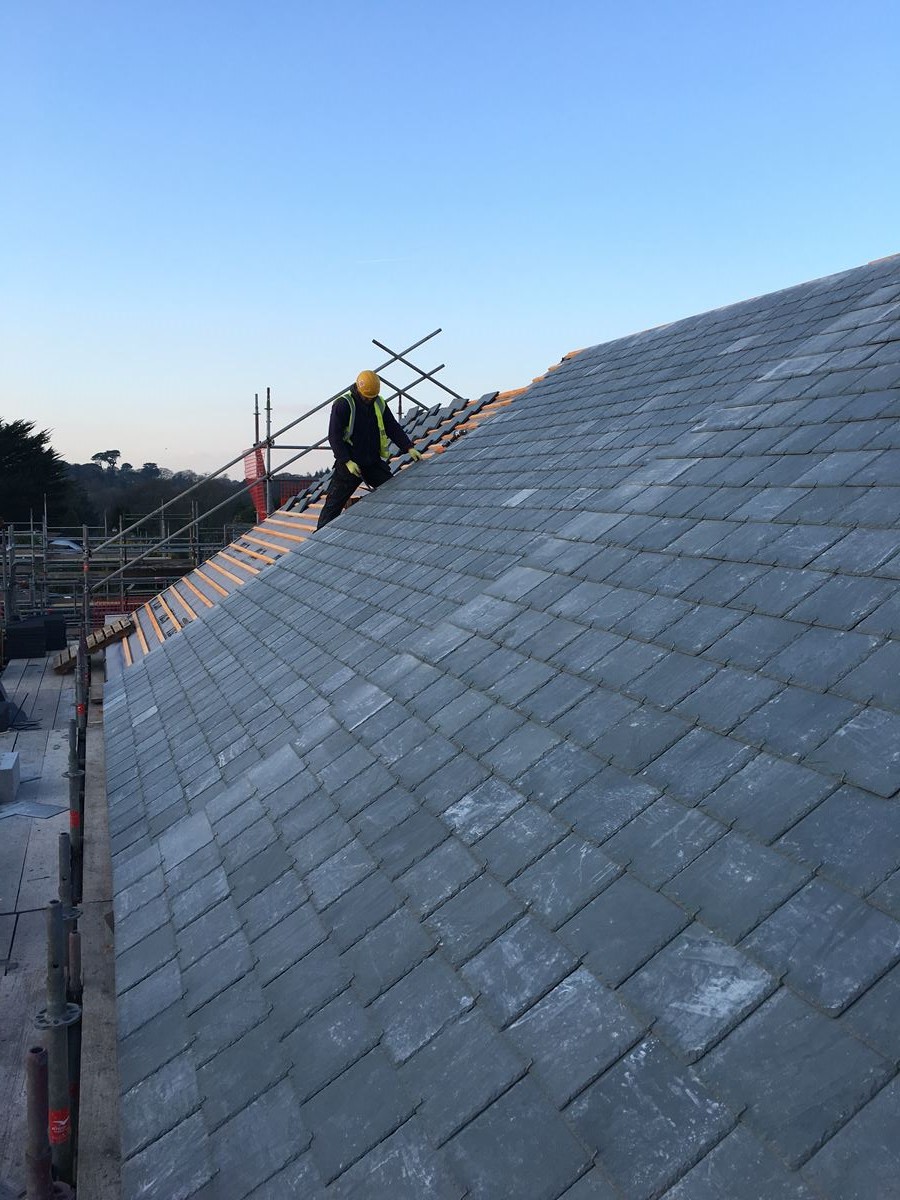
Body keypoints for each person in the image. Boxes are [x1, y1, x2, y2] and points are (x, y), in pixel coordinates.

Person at [316, 370, 422, 529]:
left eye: (372, 397)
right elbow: (334, 436)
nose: (369, 400)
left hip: (371, 462)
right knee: (333, 504)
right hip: (350, 464)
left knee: (392, 491)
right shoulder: (344, 404)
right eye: (366, 397)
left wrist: (408, 447)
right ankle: (319, 534)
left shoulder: (379, 403)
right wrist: (346, 461)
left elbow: (392, 427)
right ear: (358, 390)